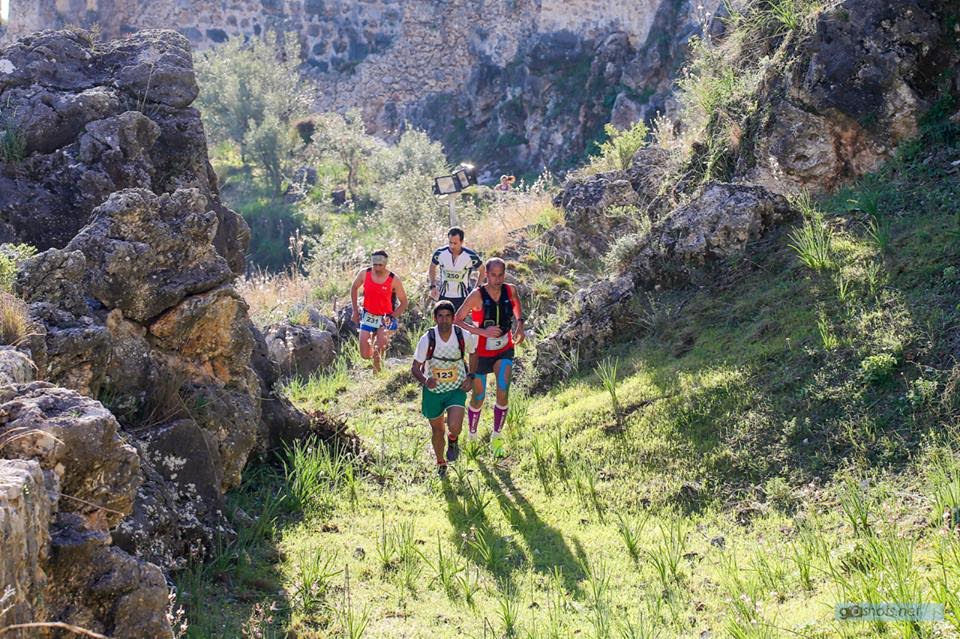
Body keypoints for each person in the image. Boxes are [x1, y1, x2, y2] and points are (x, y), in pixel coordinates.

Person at [454, 258, 524, 457]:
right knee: (478, 397)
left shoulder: (510, 290)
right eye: (493, 275)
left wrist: (520, 324)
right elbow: (458, 320)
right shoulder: (477, 296)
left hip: (504, 348)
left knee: (503, 391)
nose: (497, 279)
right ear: (486, 275)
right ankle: (473, 435)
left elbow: (517, 306)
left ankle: (496, 437)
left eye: (500, 275)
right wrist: (482, 332)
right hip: (480, 353)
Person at [412, 301, 477, 477]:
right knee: (438, 430)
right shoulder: (428, 339)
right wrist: (426, 381)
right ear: (435, 318)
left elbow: (474, 352)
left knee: (454, 426)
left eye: (448, 316)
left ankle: (453, 440)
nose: (444, 320)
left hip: (456, 388)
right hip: (433, 392)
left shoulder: (462, 335)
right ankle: (441, 462)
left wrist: (471, 376)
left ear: (453, 318)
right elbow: (415, 368)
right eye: (440, 316)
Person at [350, 250, 409, 373]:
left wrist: (392, 316)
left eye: (380, 265)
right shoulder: (364, 274)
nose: (377, 267)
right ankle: (379, 360)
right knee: (365, 354)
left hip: (385, 318)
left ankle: (377, 376)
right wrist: (355, 311)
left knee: (377, 352)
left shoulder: (393, 279)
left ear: (385, 264)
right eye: (375, 264)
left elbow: (404, 302)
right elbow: (354, 287)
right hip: (368, 316)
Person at [429, 227, 485, 312]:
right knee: (444, 324)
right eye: (450, 242)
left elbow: (482, 270)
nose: (452, 246)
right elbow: (432, 266)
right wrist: (433, 286)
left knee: (459, 324)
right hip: (444, 296)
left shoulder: (470, 255)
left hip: (463, 297)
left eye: (455, 243)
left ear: (461, 242)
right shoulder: (440, 253)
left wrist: (476, 289)